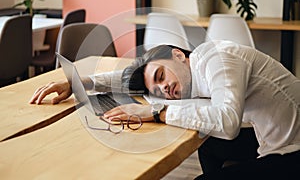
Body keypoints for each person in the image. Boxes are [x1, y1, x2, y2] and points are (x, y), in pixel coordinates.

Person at [30, 40, 300, 179]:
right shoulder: (189, 73)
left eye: (161, 76)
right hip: (268, 137)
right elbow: (130, 76)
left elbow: (228, 123)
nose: (164, 88)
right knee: (206, 144)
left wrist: (157, 113)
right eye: (156, 88)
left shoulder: (218, 59)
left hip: (292, 151)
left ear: (178, 55)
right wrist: (80, 82)